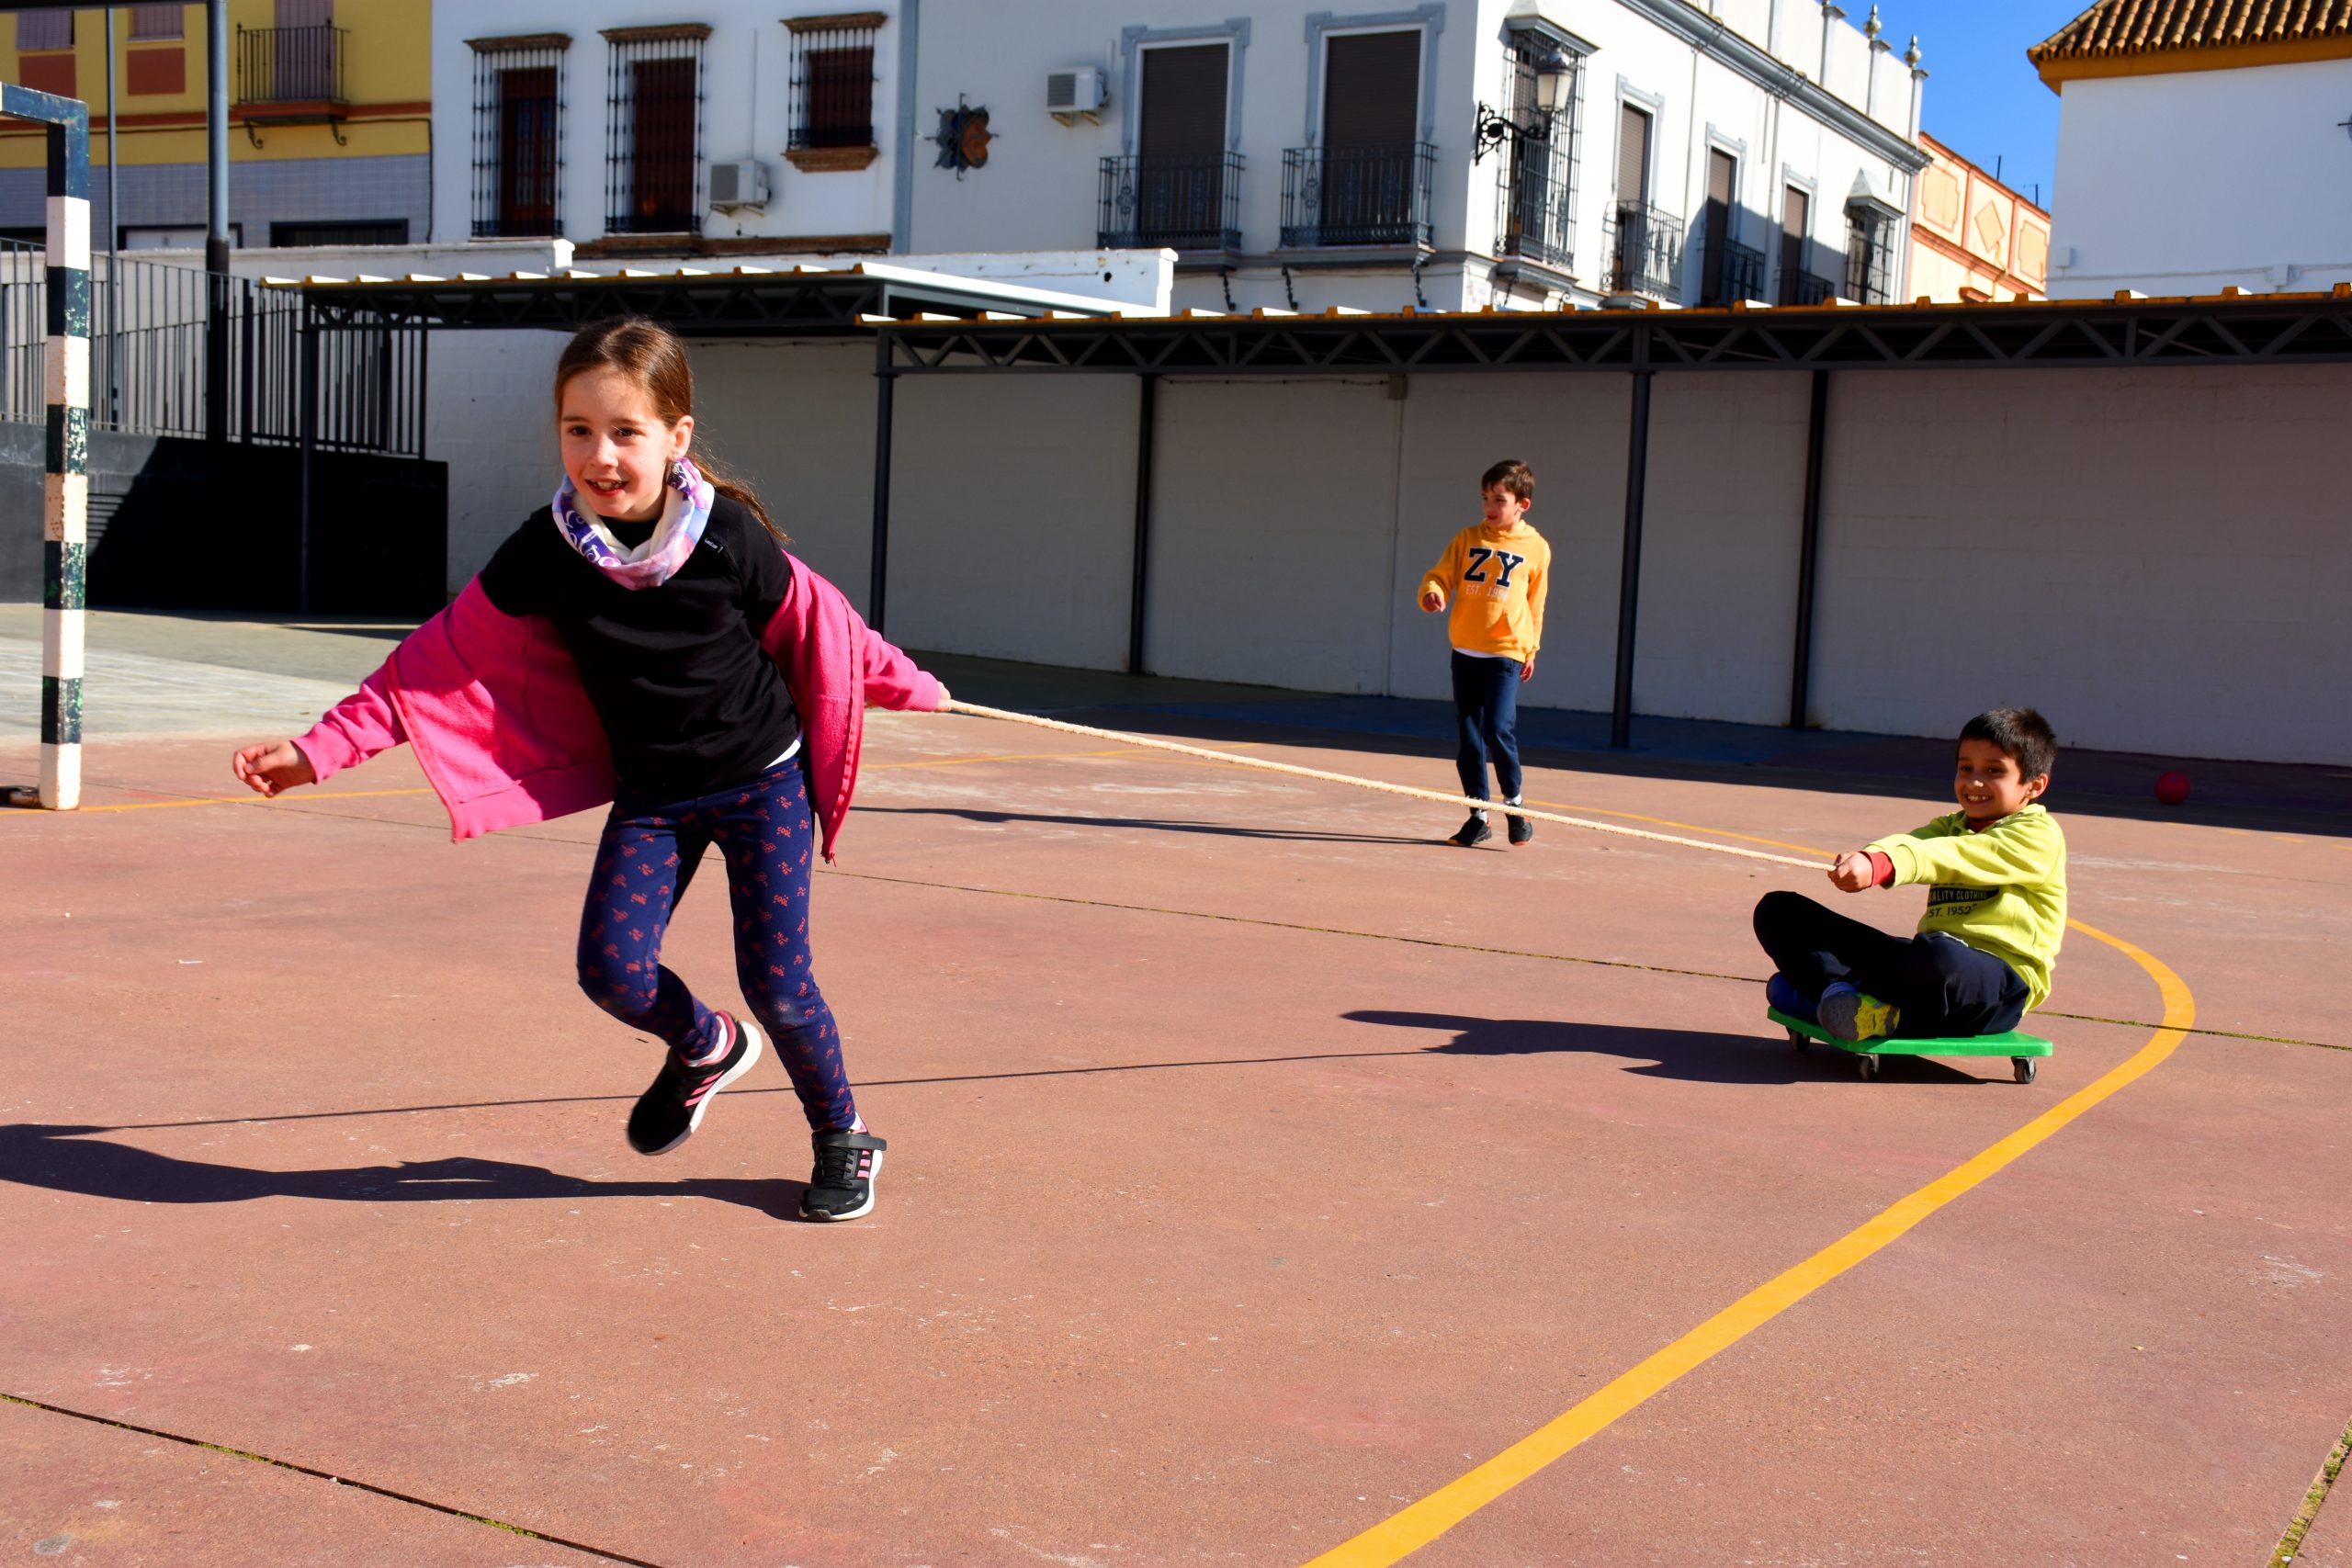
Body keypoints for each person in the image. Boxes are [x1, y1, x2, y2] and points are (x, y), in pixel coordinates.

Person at [231, 316, 951, 1222]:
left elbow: (825, 629)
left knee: (778, 982)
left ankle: (844, 1134)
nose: (600, 455)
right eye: (579, 430)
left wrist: (913, 685)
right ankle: (706, 1045)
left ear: (676, 437)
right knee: (612, 969)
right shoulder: (546, 551)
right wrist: (319, 751)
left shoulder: (727, 538)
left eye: (625, 432)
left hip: (760, 780)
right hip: (656, 792)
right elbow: (433, 663)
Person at [1753, 708, 2066, 1043]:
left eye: (1994, 771)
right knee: (1779, 911)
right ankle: (1843, 999)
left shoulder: (2038, 835)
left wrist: (1886, 865)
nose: (1974, 781)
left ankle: (1828, 998)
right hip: (1925, 972)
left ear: (2034, 786)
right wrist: (1870, 858)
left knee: (1940, 955)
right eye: (1965, 768)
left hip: (1998, 987)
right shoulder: (1951, 825)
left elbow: (1952, 854)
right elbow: (1911, 843)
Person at [1418, 458, 1551, 848]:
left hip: (1506, 652)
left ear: (1522, 504)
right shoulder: (1467, 538)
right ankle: (1478, 816)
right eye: (1485, 498)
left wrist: (1531, 648)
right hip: (1466, 651)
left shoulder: (1536, 548)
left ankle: (1515, 806)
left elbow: (1536, 603)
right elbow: (1439, 575)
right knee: (1470, 738)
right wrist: (1432, 592)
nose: (1490, 507)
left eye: (1499, 500)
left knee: (1496, 727)